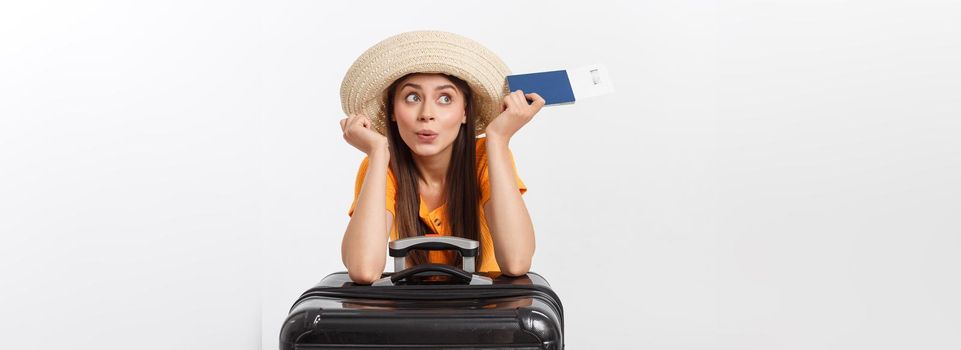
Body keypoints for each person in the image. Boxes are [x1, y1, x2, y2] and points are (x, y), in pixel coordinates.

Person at [338, 31, 545, 284]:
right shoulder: (381, 165)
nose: (427, 114)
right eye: (412, 97)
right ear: (392, 111)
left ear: (465, 112)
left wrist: (498, 140)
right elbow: (362, 270)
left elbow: (516, 262)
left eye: (445, 99)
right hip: (411, 317)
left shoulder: (487, 158)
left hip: (485, 314)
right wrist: (378, 151)